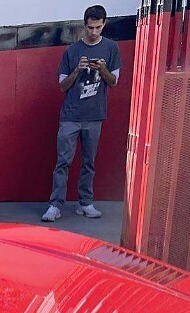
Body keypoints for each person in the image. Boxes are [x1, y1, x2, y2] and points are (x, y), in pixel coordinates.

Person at [43, 5, 122, 223]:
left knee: (89, 162)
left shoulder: (111, 48)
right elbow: (61, 86)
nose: (93, 32)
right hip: (71, 115)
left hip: (95, 115)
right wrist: (77, 70)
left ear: (104, 24)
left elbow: (113, 82)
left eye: (97, 27)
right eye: (90, 27)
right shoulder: (72, 51)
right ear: (84, 25)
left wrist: (102, 69)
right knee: (63, 161)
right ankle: (55, 205)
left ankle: (85, 203)